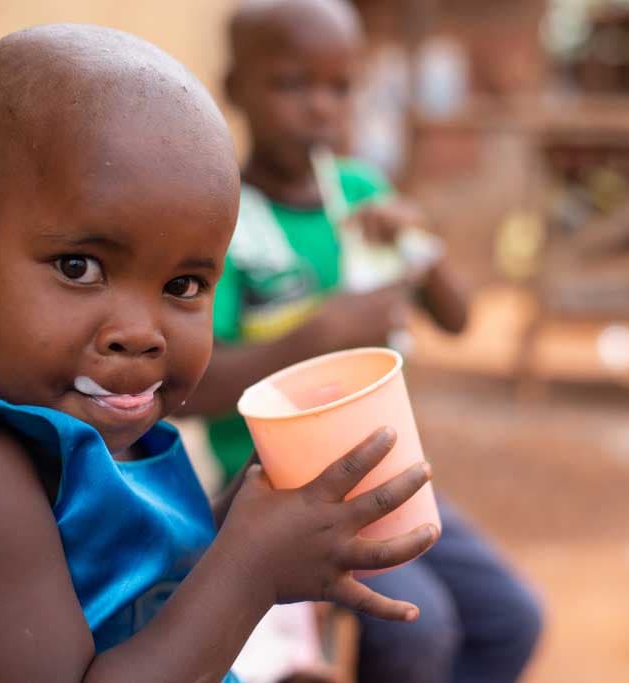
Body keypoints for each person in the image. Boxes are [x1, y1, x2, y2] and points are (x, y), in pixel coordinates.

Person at [0, 24, 440, 683]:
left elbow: (123, 589)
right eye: (79, 266)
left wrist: (247, 527)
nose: (141, 331)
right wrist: (249, 574)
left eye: (183, 286)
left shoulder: (41, 422)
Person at [179, 2, 544, 681]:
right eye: (292, 85)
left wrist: (418, 244)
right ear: (236, 89)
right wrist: (322, 331)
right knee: (420, 631)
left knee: (511, 618)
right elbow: (187, 387)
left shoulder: (360, 193)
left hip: (392, 476)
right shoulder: (223, 218)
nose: (320, 107)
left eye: (340, 87)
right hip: (277, 496)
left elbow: (459, 316)